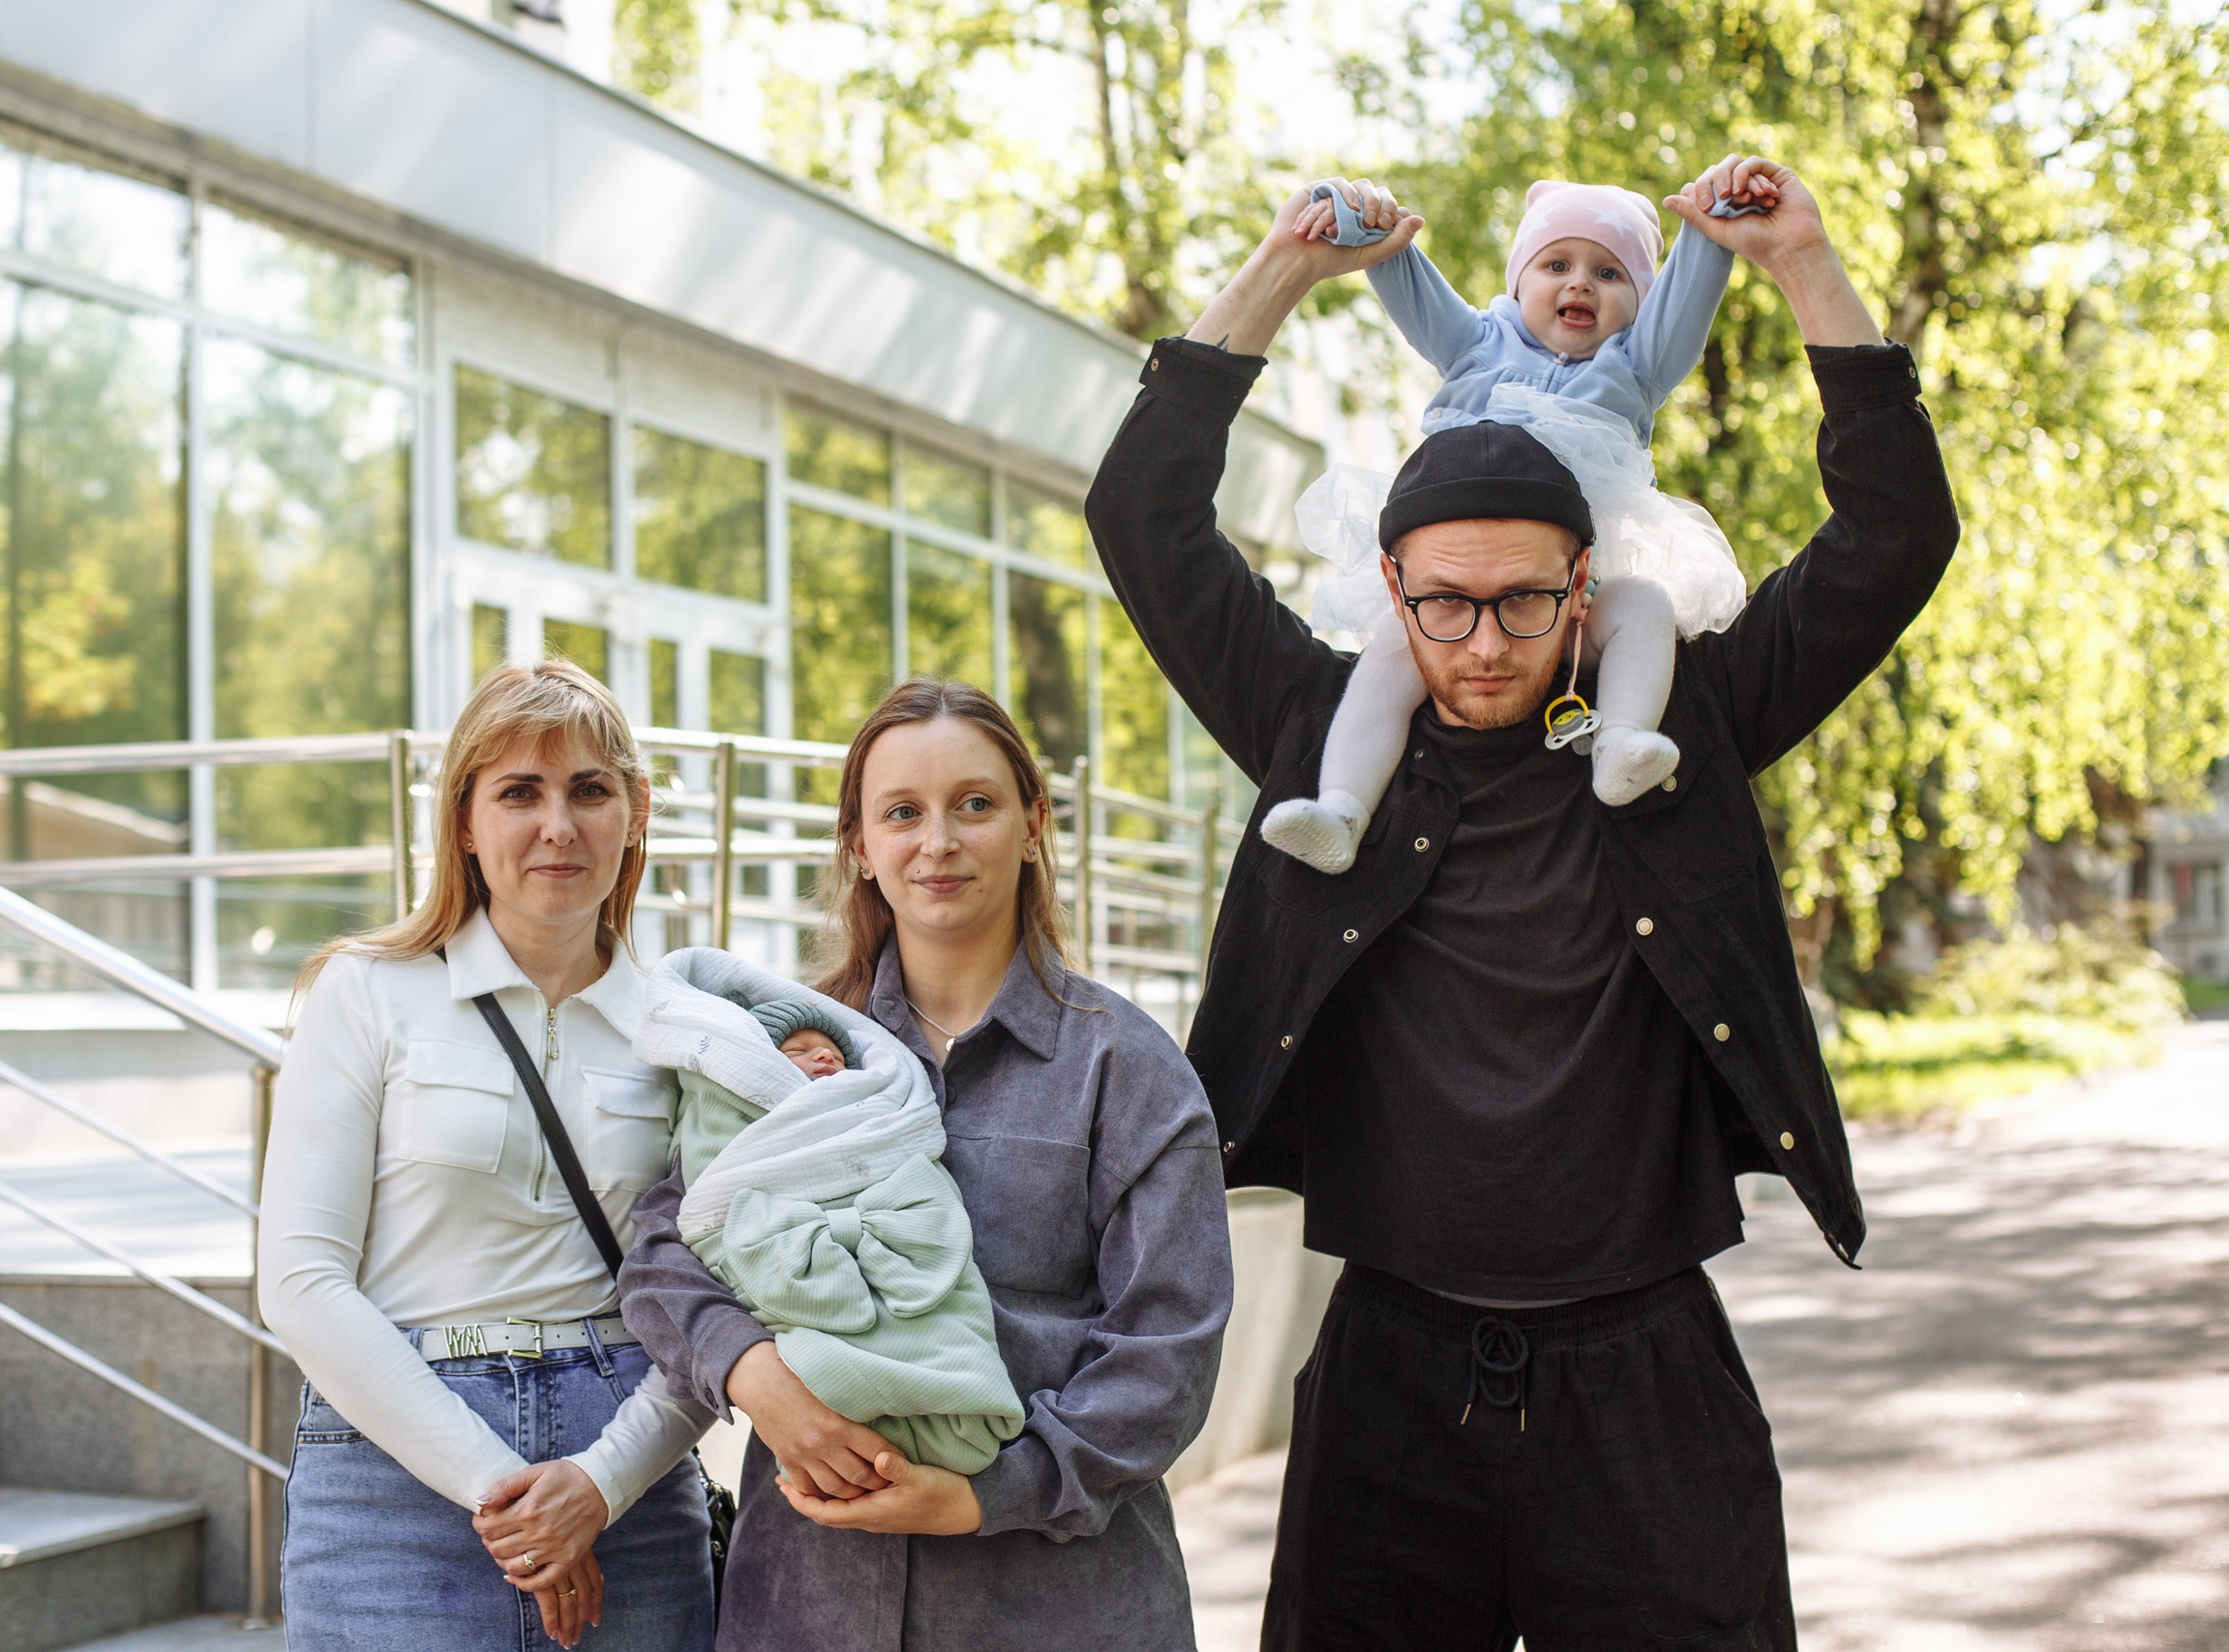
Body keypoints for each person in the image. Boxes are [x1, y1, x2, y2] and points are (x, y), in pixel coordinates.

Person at [1086, 156, 1961, 1648]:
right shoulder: (1319, 734)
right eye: (1441, 604)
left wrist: (1807, 267)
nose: (1481, 645)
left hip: (1648, 1375)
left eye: (1523, 602)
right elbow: (1144, 519)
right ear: (1390, 585)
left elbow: (1896, 540)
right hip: (1391, 1378)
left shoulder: (1681, 725)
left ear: (1589, 582)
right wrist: (1284, 271)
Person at [617, 678, 1235, 1651]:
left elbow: (1170, 1349)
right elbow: (663, 1247)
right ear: (860, 847)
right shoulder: (778, 1050)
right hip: (806, 1603)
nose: (937, 842)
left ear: (1032, 825)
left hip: (1059, 1609)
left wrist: (983, 1495)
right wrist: (751, 1374)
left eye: (974, 805)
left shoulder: (1127, 1068)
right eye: (901, 812)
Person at [260, 661, 716, 1651]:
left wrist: (597, 1486)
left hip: (628, 1483)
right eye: (519, 792)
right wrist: (505, 1495)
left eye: (589, 790)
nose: (558, 825)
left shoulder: (691, 1032)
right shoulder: (365, 992)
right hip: (394, 1487)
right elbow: (299, 1280)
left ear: (634, 813)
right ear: (464, 819)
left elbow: (719, 1297)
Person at [1263, 165, 1780, 875]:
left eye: (1610, 274)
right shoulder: (1476, 344)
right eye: (1556, 264)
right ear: (1517, 282)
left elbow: (1686, 305)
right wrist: (1367, 226)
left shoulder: (1635, 366)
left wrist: (1711, 228)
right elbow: (1410, 284)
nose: (1580, 284)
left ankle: (1622, 742)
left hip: (1577, 591)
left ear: (1640, 303)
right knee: (1392, 652)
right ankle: (1342, 809)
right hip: (1470, 585)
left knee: (1646, 608)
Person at [632, 946, 1026, 1475]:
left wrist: (995, 1497)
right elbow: (660, 1257)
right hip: (799, 1508)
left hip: (907, 1258)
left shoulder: (885, 1105)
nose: (824, 1058)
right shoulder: (728, 1125)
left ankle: (949, 1395)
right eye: (798, 1050)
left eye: (833, 1052)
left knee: (947, 1329)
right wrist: (752, 1372)